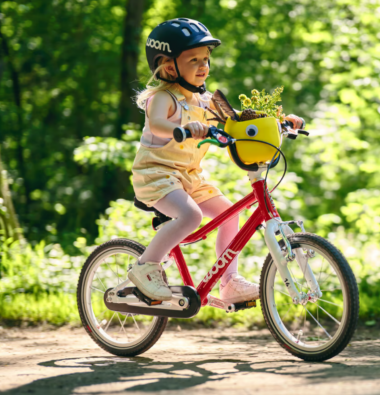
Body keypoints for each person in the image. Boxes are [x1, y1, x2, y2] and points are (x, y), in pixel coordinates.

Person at [127, 18, 304, 303]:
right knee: (191, 216)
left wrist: (280, 121)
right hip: (156, 175)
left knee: (229, 213)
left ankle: (229, 282)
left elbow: (240, 121)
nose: (203, 66)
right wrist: (182, 129)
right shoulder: (163, 97)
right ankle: (145, 268)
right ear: (170, 66)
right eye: (194, 60)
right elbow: (157, 122)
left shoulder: (207, 100)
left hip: (189, 177)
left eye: (206, 59)